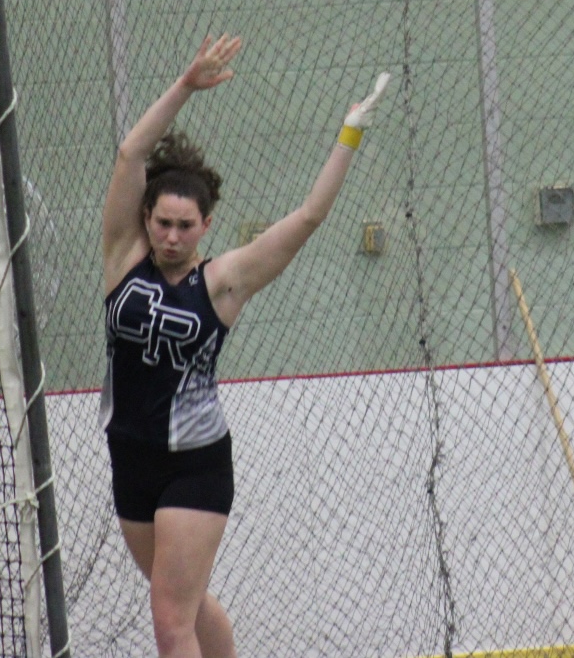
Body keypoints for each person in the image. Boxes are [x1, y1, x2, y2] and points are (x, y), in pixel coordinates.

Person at [100, 33, 390, 658]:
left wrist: (349, 134)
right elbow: (130, 153)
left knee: (169, 620)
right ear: (147, 218)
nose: (171, 236)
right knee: (184, 598)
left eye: (184, 226)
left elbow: (308, 217)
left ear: (206, 226)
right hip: (130, 453)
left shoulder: (224, 282)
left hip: (195, 463)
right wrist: (184, 84)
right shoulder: (124, 258)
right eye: (162, 222)